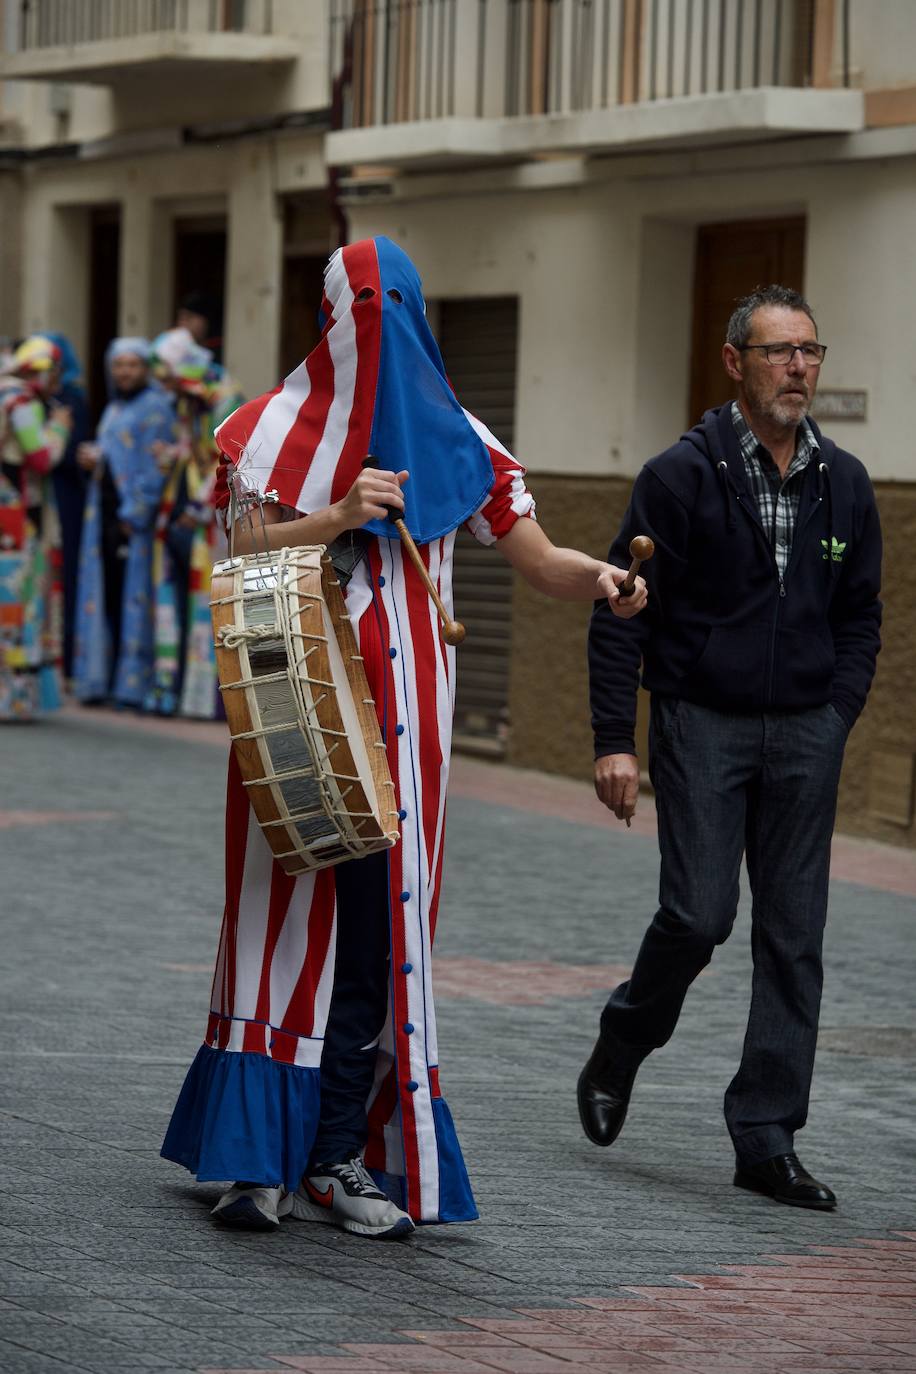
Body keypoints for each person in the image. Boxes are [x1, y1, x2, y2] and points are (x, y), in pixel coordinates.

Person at [161, 236, 648, 1238]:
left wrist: (596, 579)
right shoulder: (259, 430)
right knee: (278, 923)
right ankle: (253, 1156)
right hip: (293, 707)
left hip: (409, 729)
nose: (381, 333)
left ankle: (339, 1153)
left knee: (380, 936)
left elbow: (536, 555)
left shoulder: (458, 437)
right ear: (333, 318)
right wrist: (334, 512)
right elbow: (232, 543)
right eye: (364, 311)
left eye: (398, 311)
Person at [580, 285, 882, 1211]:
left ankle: (765, 1137)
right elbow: (618, 605)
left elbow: (862, 614)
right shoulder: (681, 475)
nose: (798, 368)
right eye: (778, 352)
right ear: (734, 362)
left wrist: (836, 711)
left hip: (805, 731)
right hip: (700, 723)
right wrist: (612, 741)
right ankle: (625, 1038)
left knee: (795, 937)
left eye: (810, 352)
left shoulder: (847, 482)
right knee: (701, 915)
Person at [73, 338, 176, 706]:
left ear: (145, 368)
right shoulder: (115, 407)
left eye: (132, 365)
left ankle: (133, 685)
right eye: (119, 365)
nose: (125, 372)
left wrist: (137, 513)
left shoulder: (157, 408)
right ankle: (103, 679)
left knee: (133, 599)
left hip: (133, 521)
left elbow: (157, 465)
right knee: (108, 597)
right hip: (103, 513)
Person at [146, 328, 241, 717]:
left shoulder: (224, 397)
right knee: (176, 601)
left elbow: (228, 457)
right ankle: (173, 689)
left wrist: (202, 507)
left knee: (209, 601)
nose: (165, 388)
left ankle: (207, 699)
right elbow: (192, 448)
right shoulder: (190, 399)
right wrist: (172, 456)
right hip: (180, 512)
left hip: (210, 517)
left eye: (167, 377)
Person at [0, 335, 72, 719]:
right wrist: (59, 428)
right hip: (15, 516)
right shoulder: (20, 401)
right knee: (17, 599)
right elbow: (42, 457)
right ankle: (13, 698)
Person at [45, 333, 91, 682]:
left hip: (66, 500)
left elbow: (69, 455)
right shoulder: (25, 400)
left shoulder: (71, 401)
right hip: (36, 503)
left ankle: (66, 663)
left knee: (67, 574)